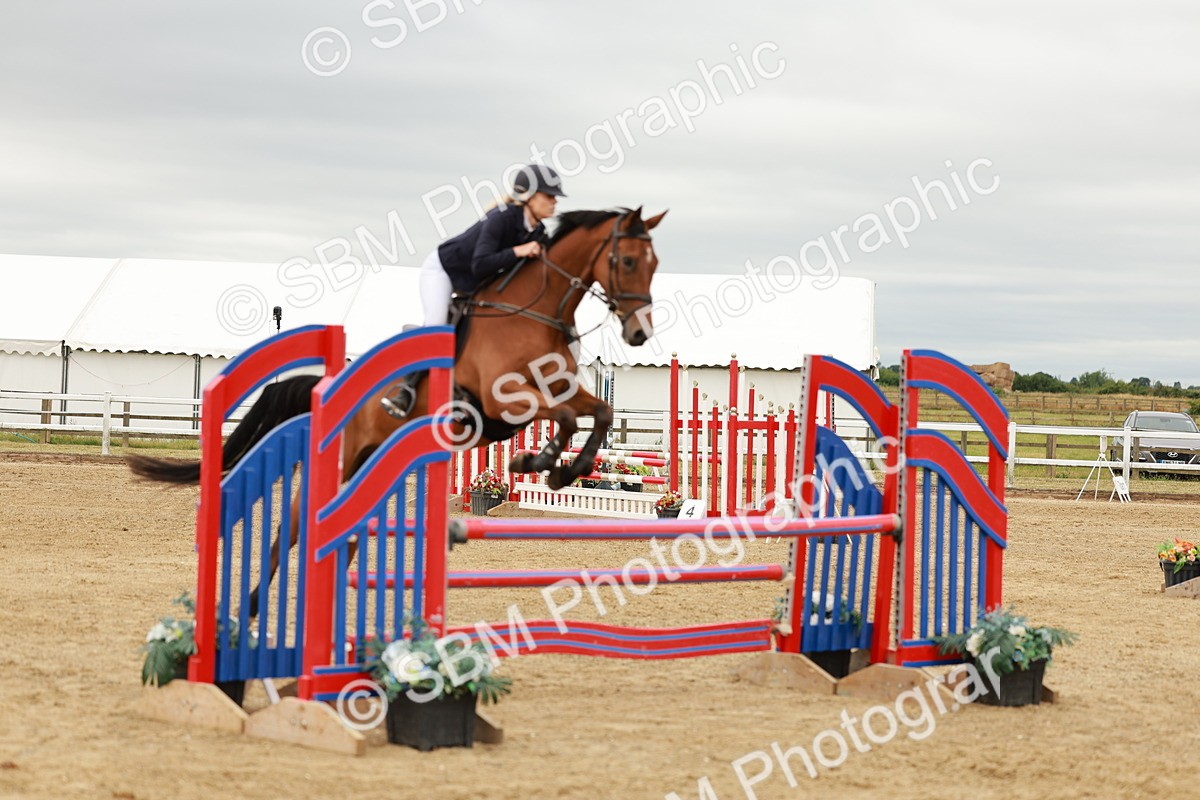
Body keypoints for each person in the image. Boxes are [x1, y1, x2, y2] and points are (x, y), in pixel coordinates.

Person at [382, 164, 566, 418]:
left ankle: (462, 394)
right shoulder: (500, 218)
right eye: (549, 196)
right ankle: (405, 390)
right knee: (438, 324)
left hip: (477, 285)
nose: (554, 202)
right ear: (529, 196)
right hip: (445, 270)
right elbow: (480, 264)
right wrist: (518, 251)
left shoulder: (538, 232)